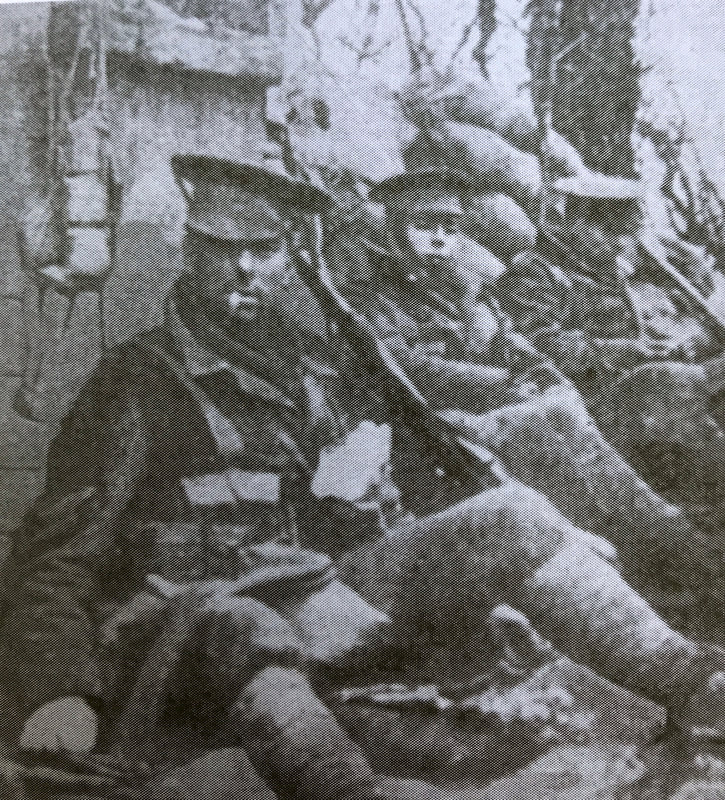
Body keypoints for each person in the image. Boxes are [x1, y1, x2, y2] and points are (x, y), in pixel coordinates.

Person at [2, 150, 725, 800]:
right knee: (243, 623)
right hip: (185, 634)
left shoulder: (310, 372)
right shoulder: (137, 382)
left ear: (287, 258)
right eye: (223, 249)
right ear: (191, 254)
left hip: (312, 601)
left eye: (263, 250)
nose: (245, 269)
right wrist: (56, 693)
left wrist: (374, 507)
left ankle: (694, 682)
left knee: (515, 515)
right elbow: (54, 559)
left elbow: (367, 518)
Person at [330, 167, 718, 595]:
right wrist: (505, 382)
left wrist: (536, 368)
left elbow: (506, 336)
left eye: (450, 226)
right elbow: (413, 367)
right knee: (556, 419)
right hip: (443, 428)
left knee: (561, 413)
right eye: (423, 226)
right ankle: (659, 539)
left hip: (508, 408)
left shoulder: (459, 283)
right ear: (392, 231)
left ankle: (658, 534)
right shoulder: (371, 297)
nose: (440, 238)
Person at [494, 173, 725, 505]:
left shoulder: (606, 264)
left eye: (626, 232)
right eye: (609, 231)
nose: (619, 243)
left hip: (647, 394)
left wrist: (691, 272)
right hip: (593, 407)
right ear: (574, 221)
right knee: (666, 380)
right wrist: (622, 350)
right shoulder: (534, 270)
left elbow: (678, 297)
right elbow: (538, 342)